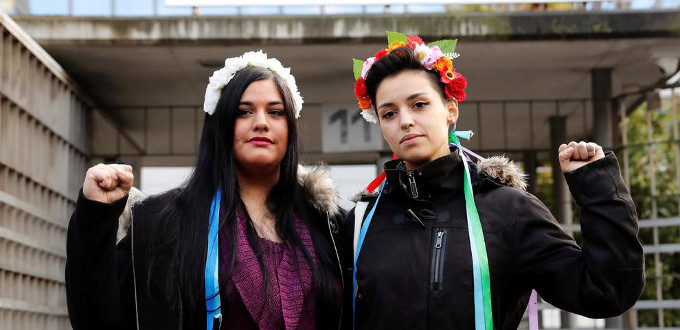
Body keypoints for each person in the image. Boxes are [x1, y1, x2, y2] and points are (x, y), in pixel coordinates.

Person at [342, 32, 644, 330]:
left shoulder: (508, 210)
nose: (405, 121)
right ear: (380, 124)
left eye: (419, 104)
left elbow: (605, 291)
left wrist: (597, 188)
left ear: (450, 109)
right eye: (390, 113)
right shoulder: (359, 223)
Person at [66, 51, 345, 330]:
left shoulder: (331, 227)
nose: (261, 122)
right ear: (220, 126)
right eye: (244, 111)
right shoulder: (162, 224)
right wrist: (95, 214)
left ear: (290, 129)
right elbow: (97, 318)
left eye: (275, 112)